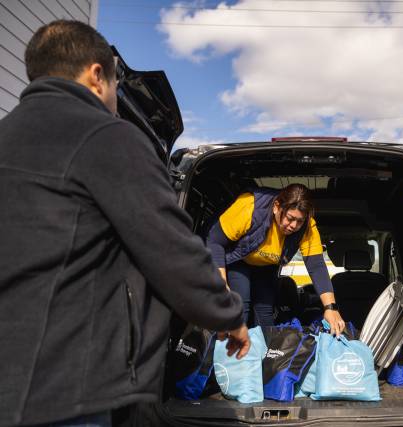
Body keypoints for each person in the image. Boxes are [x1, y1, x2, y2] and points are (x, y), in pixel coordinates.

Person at [0, 20, 248, 427]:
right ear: (98, 75)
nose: (115, 97)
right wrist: (229, 316)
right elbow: (171, 248)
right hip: (65, 388)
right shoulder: (107, 137)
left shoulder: (7, 137)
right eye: (116, 85)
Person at [207, 184, 346, 335]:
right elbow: (214, 240)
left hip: (267, 267)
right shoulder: (250, 206)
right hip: (237, 259)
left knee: (265, 309)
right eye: (290, 218)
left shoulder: (307, 226)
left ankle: (266, 354)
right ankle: (230, 353)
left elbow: (316, 265)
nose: (294, 226)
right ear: (276, 207)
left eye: (299, 221)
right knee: (239, 305)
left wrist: (330, 308)